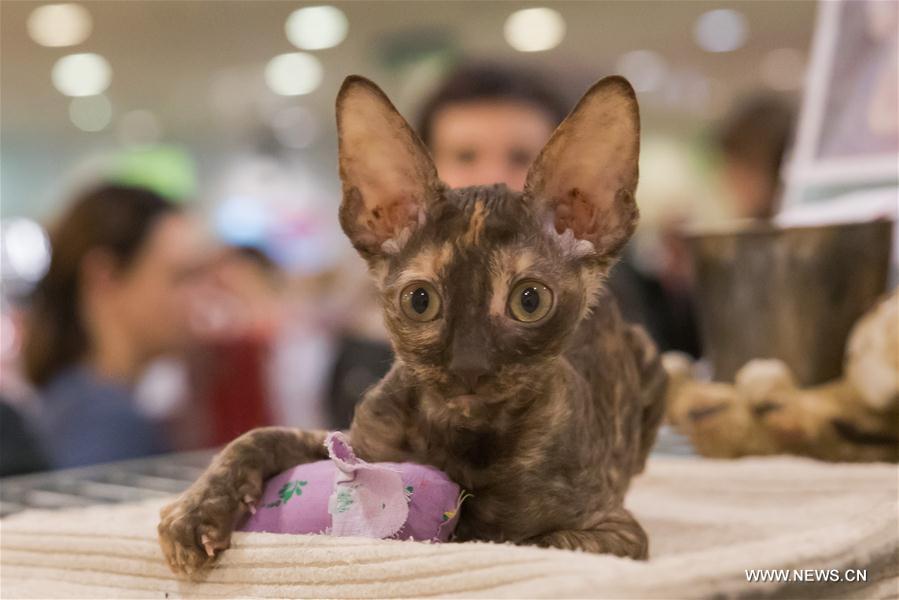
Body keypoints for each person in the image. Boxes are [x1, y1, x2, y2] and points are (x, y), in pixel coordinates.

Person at [22, 184, 207, 468]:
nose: (199, 298)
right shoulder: (106, 421)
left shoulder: (75, 400)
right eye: (179, 278)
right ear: (104, 275)